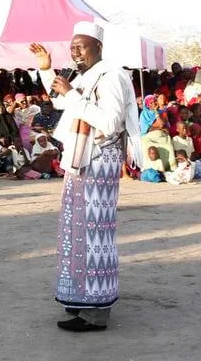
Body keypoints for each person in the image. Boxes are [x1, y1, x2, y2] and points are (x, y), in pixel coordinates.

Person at [29, 20, 143, 332]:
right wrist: (47, 71)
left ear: (98, 47)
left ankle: (97, 311)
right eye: (72, 47)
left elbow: (109, 121)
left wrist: (72, 94)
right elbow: (61, 103)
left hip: (99, 160)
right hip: (81, 160)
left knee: (95, 234)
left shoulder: (112, 75)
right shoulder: (86, 76)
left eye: (81, 46)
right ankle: (81, 302)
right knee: (77, 232)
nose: (75, 51)